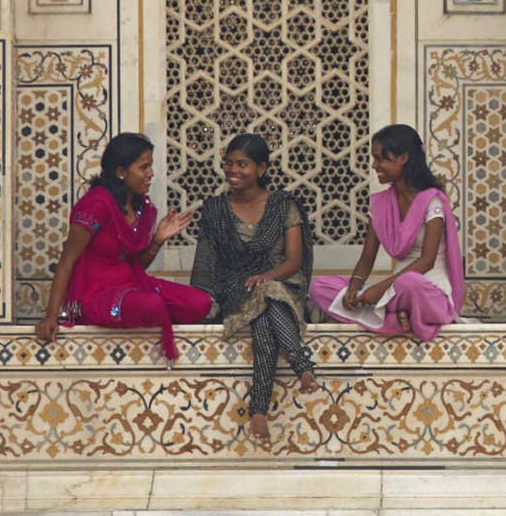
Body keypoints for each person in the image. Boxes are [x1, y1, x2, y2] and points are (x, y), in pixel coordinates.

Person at [189, 133, 320, 446]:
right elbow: (207, 265)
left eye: (242, 164)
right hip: (234, 286)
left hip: (282, 282)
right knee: (266, 301)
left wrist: (266, 276)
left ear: (261, 169)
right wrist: (203, 303)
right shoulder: (216, 209)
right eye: (228, 163)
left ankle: (258, 408)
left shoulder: (282, 205)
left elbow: (294, 261)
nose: (232, 170)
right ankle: (302, 366)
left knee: (267, 308)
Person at [34, 133, 210, 361]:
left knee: (200, 303)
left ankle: (150, 313)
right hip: (95, 293)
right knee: (152, 305)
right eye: (143, 167)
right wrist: (51, 316)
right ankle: (150, 315)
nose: (151, 174)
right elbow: (67, 261)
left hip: (131, 285)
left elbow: (137, 265)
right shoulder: (97, 203)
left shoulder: (140, 207)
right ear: (121, 172)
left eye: (150, 166)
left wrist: (157, 240)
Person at [309, 124, 464, 340]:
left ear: (403, 158)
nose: (375, 165)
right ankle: (400, 320)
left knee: (409, 282)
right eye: (374, 159)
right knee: (319, 287)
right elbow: (367, 257)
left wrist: (380, 290)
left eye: (381, 159)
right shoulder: (380, 204)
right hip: (393, 293)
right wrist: (354, 287)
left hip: (426, 291)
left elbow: (427, 261)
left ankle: (397, 316)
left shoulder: (431, 200)